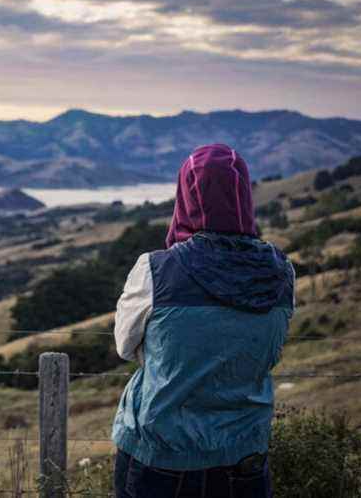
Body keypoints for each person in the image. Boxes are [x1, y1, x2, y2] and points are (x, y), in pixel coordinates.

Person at [111, 144, 295, 498]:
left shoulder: (155, 269)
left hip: (161, 457)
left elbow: (124, 347)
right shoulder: (282, 272)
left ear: (186, 195)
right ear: (243, 195)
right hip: (244, 456)